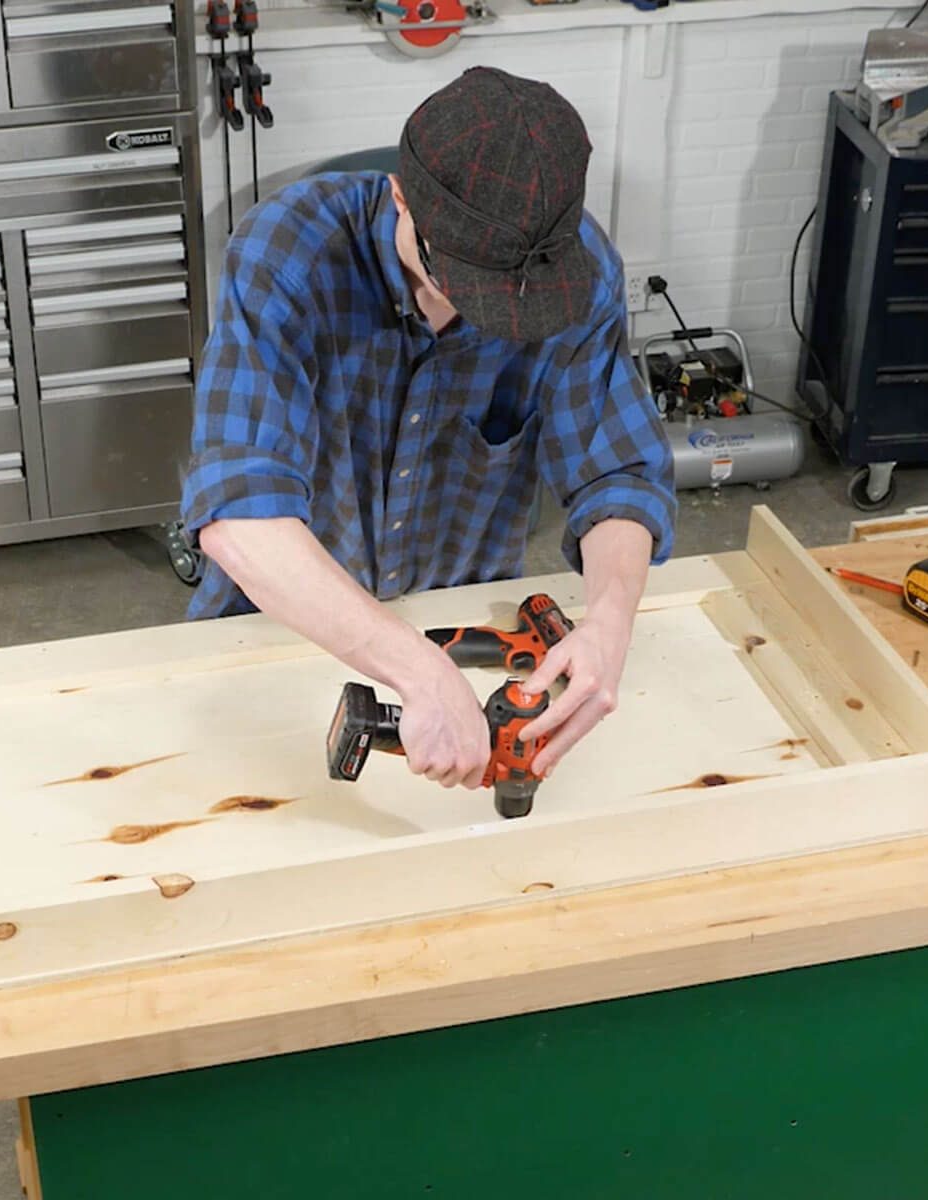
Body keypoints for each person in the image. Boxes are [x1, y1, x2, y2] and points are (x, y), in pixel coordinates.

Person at [180, 66, 675, 791]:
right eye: (476, 286)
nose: (500, 315)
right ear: (400, 195)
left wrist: (608, 622)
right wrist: (415, 668)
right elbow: (238, 513)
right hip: (283, 619)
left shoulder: (578, 275)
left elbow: (621, 473)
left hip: (462, 623)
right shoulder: (285, 253)